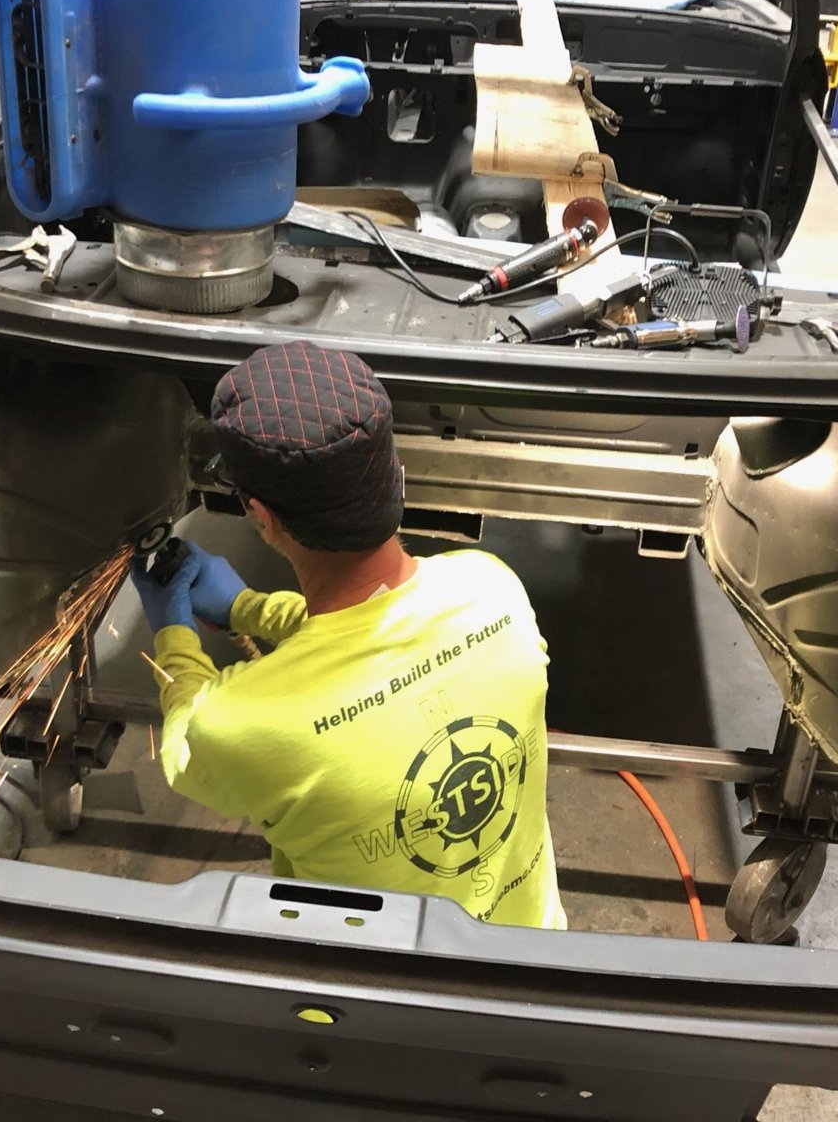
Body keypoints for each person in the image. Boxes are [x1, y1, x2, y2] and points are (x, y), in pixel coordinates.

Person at [131, 340, 564, 929]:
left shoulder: (237, 723)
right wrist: (249, 609)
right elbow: (365, 630)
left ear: (262, 517)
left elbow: (185, 738)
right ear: (392, 477)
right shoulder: (493, 587)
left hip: (366, 978)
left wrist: (173, 634)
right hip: (534, 948)